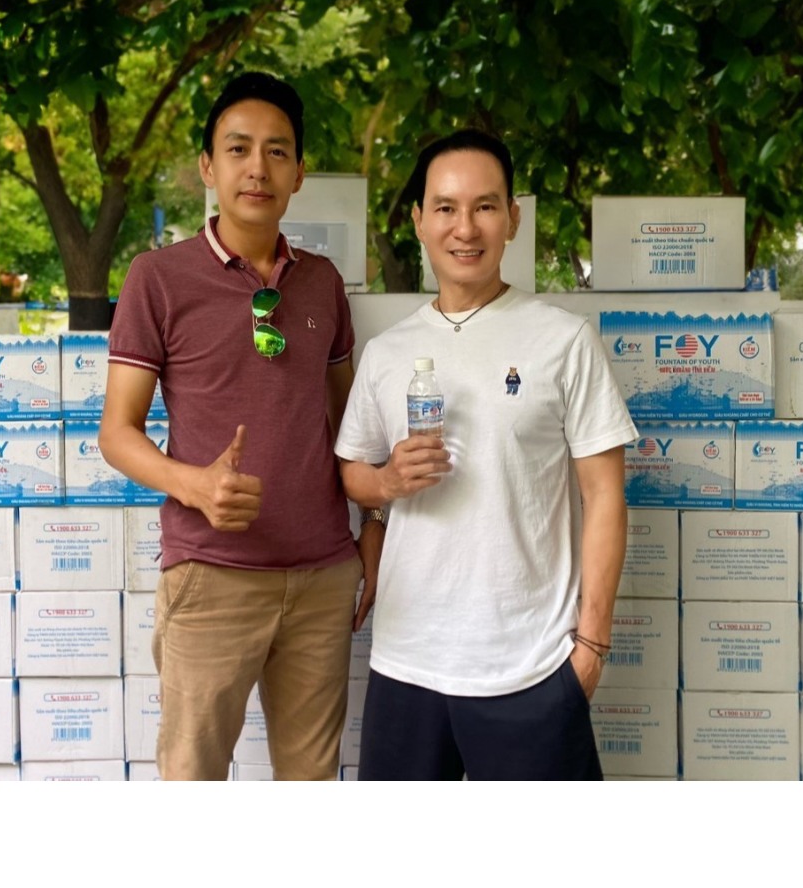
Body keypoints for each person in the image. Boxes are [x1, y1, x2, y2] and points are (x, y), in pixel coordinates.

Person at [99, 71, 382, 781]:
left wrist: (374, 525)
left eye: (277, 151)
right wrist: (193, 485)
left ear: (299, 174)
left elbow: (347, 424)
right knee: (192, 780)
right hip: (211, 574)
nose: (258, 167)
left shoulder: (322, 282)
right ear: (208, 167)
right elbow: (117, 433)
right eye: (238, 148)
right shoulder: (157, 278)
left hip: (322, 576)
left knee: (310, 784)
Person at [335, 128, 637, 780]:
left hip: (531, 664)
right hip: (407, 661)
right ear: (419, 221)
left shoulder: (564, 341)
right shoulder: (387, 353)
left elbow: (605, 495)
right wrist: (387, 483)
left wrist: (591, 647)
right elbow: (352, 473)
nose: (464, 228)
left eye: (485, 206)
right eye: (445, 207)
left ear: (513, 219)